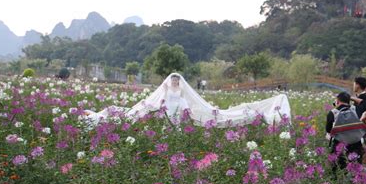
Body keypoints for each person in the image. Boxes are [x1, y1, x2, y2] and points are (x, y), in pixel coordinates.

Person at [85, 73, 291, 128]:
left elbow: (185, 100)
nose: (174, 81)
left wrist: (188, 111)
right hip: (168, 109)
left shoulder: (181, 89)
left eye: (176, 79)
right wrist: (160, 105)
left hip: (178, 109)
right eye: (173, 79)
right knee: (132, 113)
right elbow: (161, 99)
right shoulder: (166, 88)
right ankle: (102, 115)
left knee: (216, 115)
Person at [326, 92, 366, 177]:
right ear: (349, 101)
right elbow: (365, 103)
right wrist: (351, 98)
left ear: (337, 101)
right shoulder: (356, 109)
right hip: (356, 145)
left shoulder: (332, 113)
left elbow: (328, 130)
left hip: (339, 146)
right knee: (356, 170)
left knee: (337, 170)